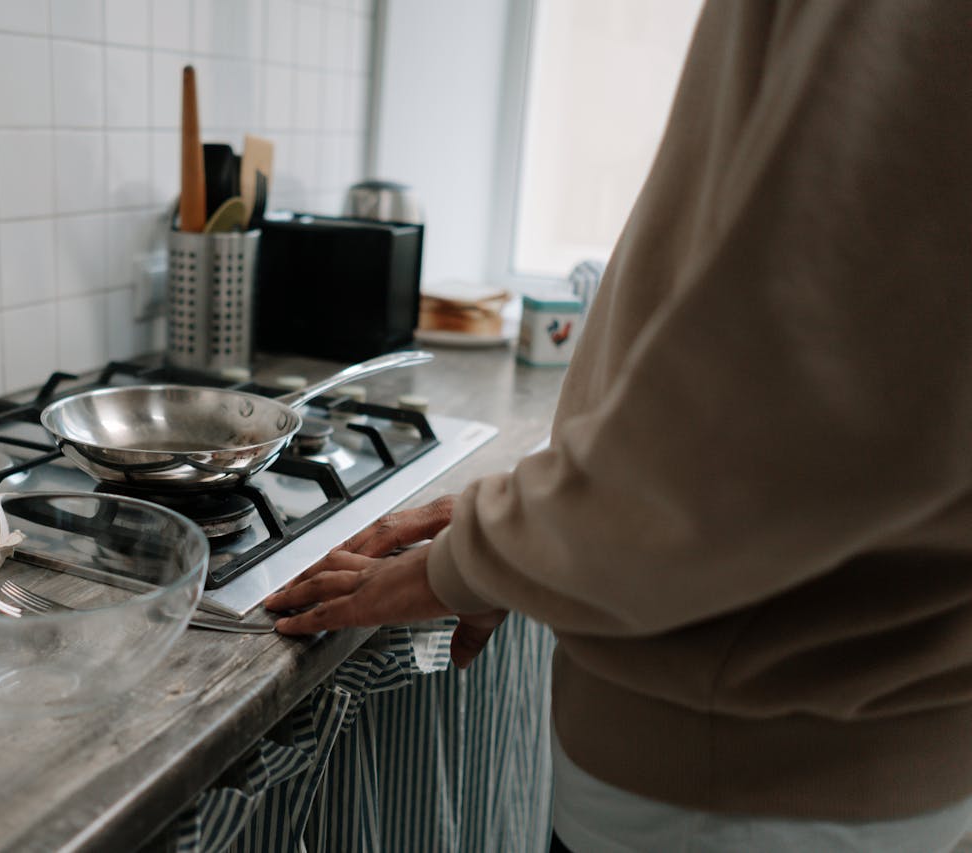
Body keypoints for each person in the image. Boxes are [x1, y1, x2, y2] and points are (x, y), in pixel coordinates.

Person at [263, 0, 972, 849]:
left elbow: (783, 416)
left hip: (750, 789)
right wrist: (548, 523)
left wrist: (486, 554)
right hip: (765, 755)